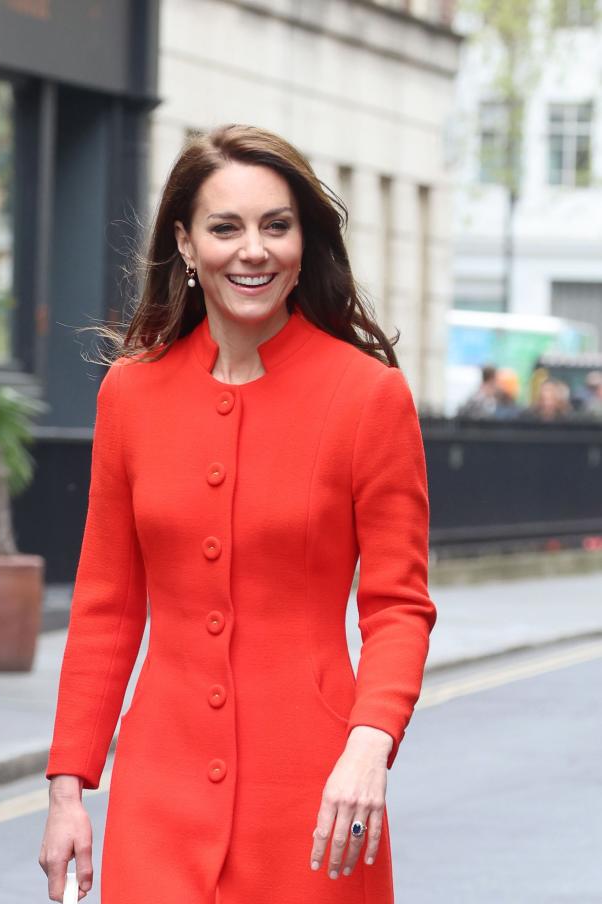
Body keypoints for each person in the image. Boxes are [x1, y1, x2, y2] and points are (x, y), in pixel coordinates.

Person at [39, 125, 436, 902]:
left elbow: (398, 606)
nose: (252, 250)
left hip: (317, 791)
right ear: (186, 245)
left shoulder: (368, 397)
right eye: (226, 227)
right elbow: (105, 609)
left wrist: (369, 745)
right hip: (161, 789)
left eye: (275, 226)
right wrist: (67, 787)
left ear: (302, 244)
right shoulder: (131, 393)